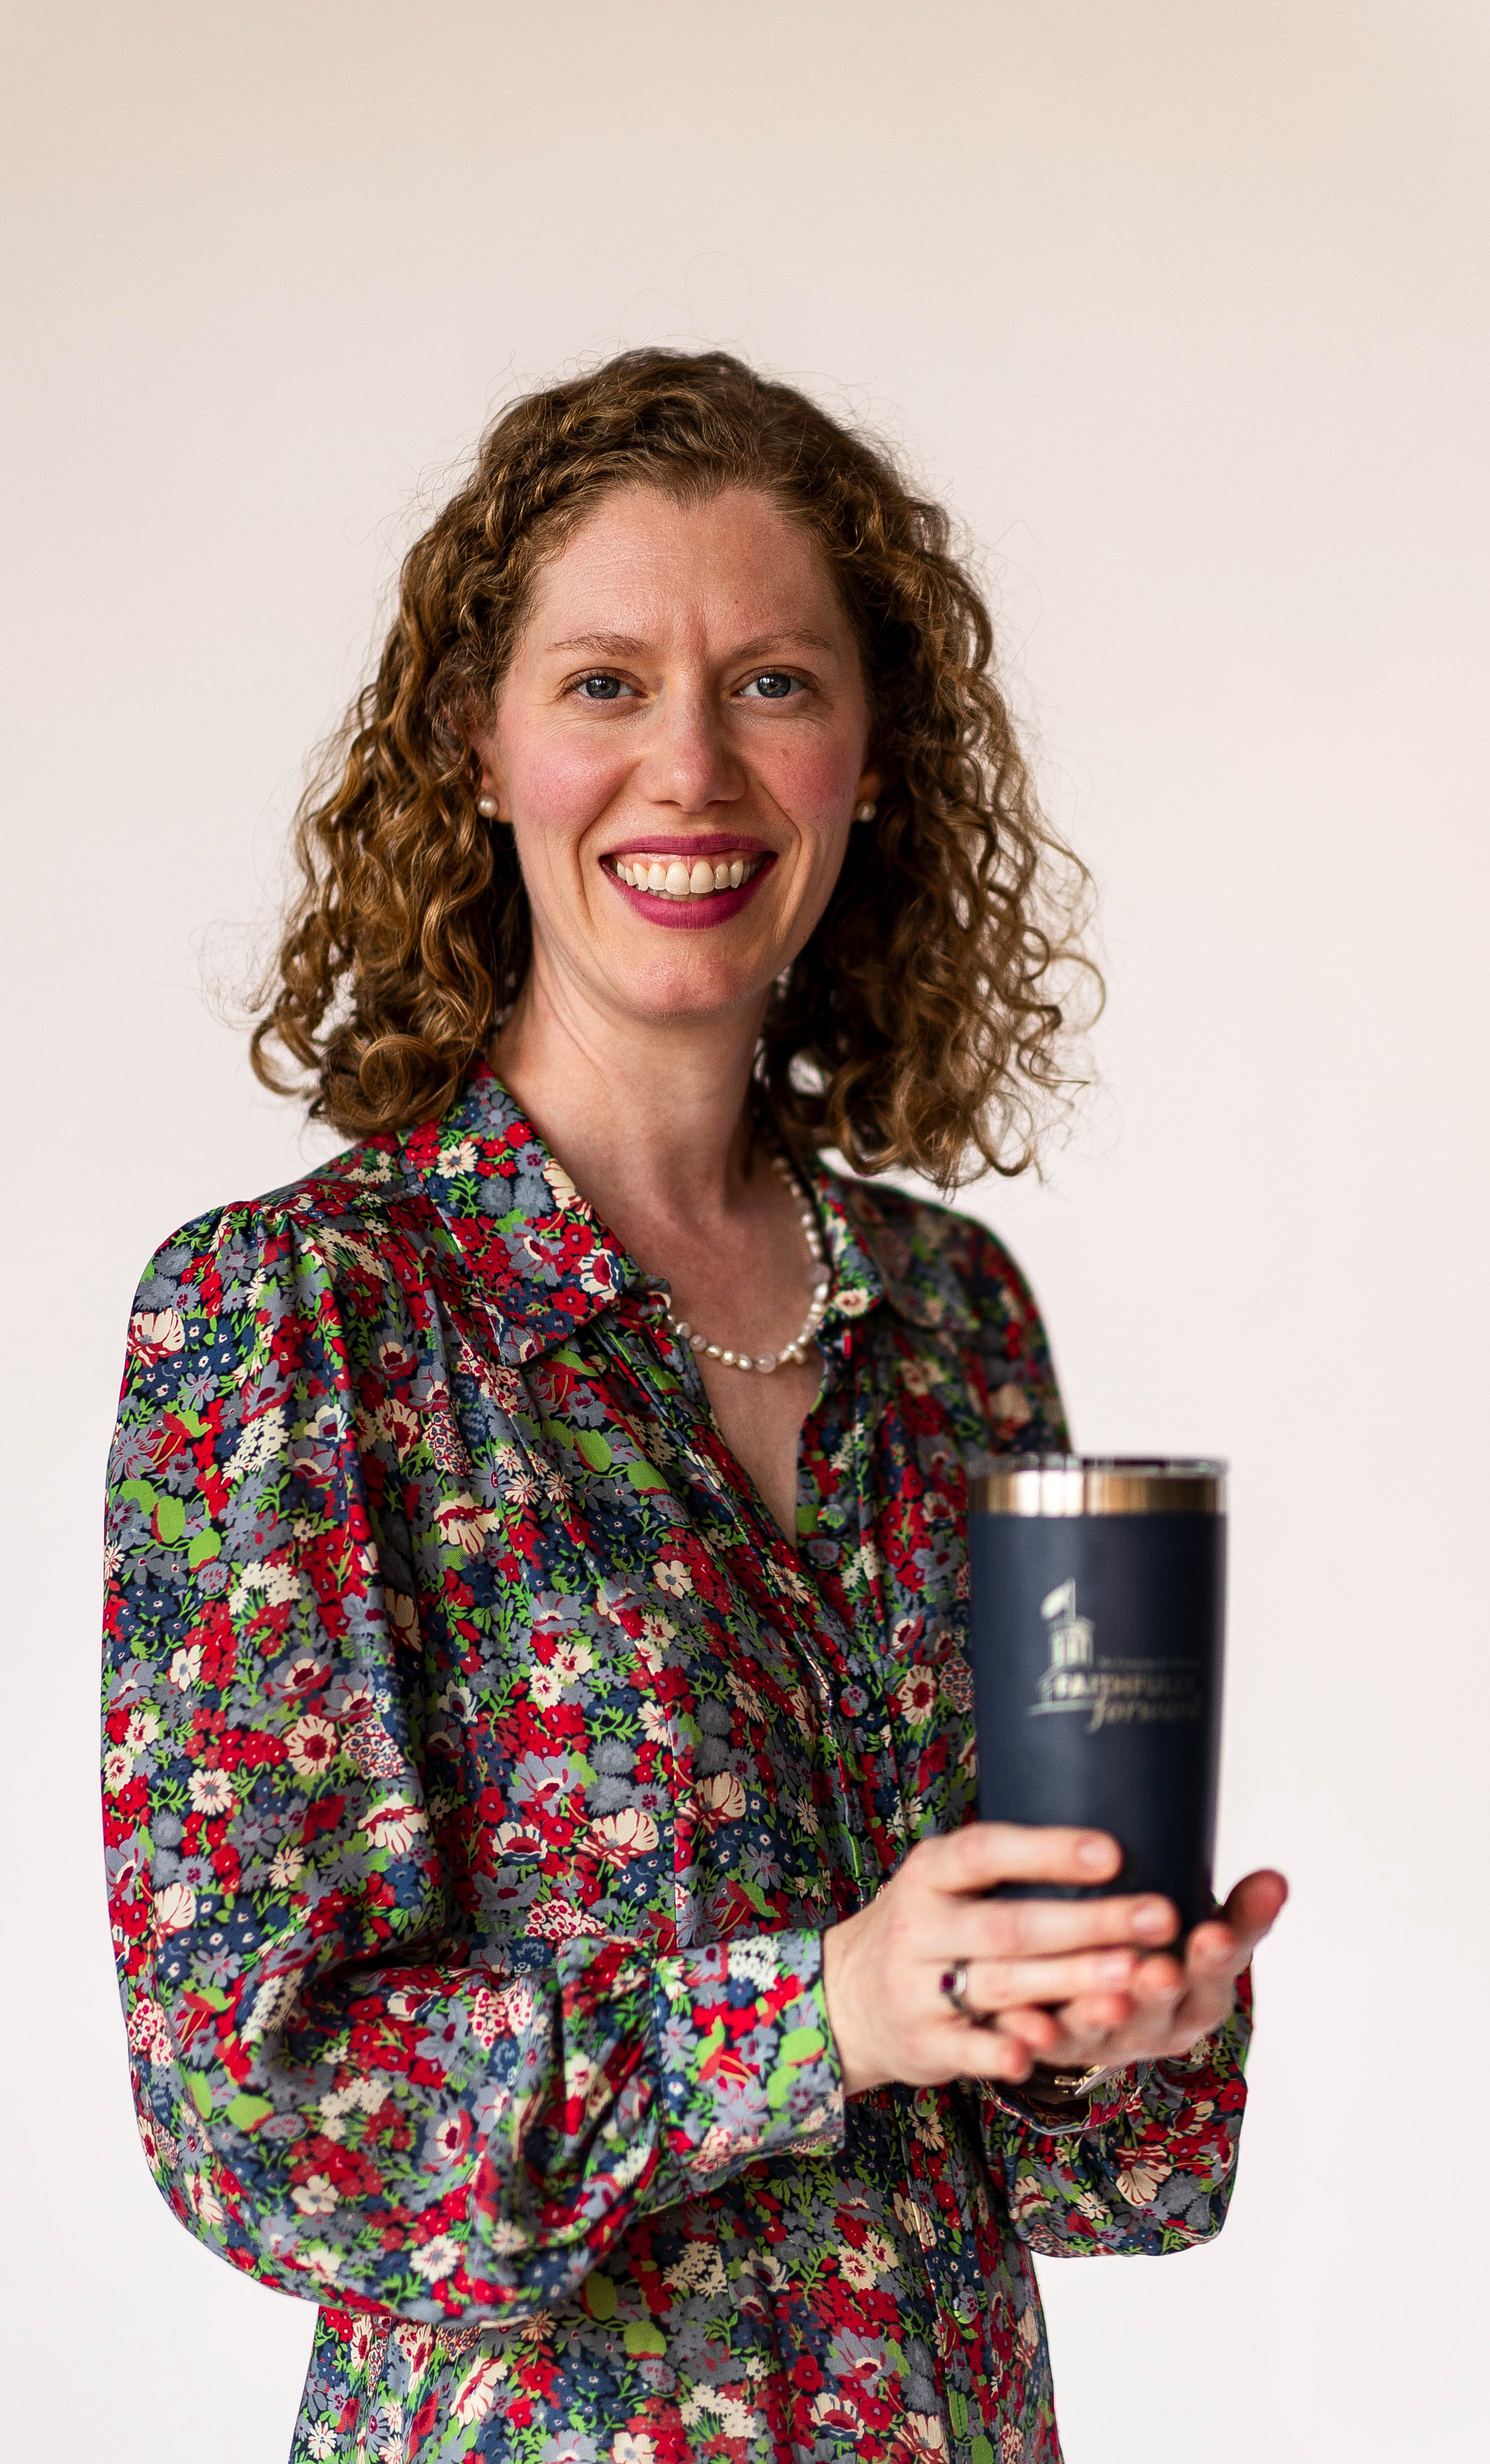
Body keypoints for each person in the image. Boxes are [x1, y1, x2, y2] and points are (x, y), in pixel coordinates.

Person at [103, 349, 1286, 2464]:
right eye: (606, 684)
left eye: (772, 685)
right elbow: (257, 2115)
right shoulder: (305, 1314)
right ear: (477, 749)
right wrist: (820, 2010)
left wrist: (1114, 2016)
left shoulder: (951, 1316)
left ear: (872, 763)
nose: (693, 769)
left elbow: (1094, 2173)